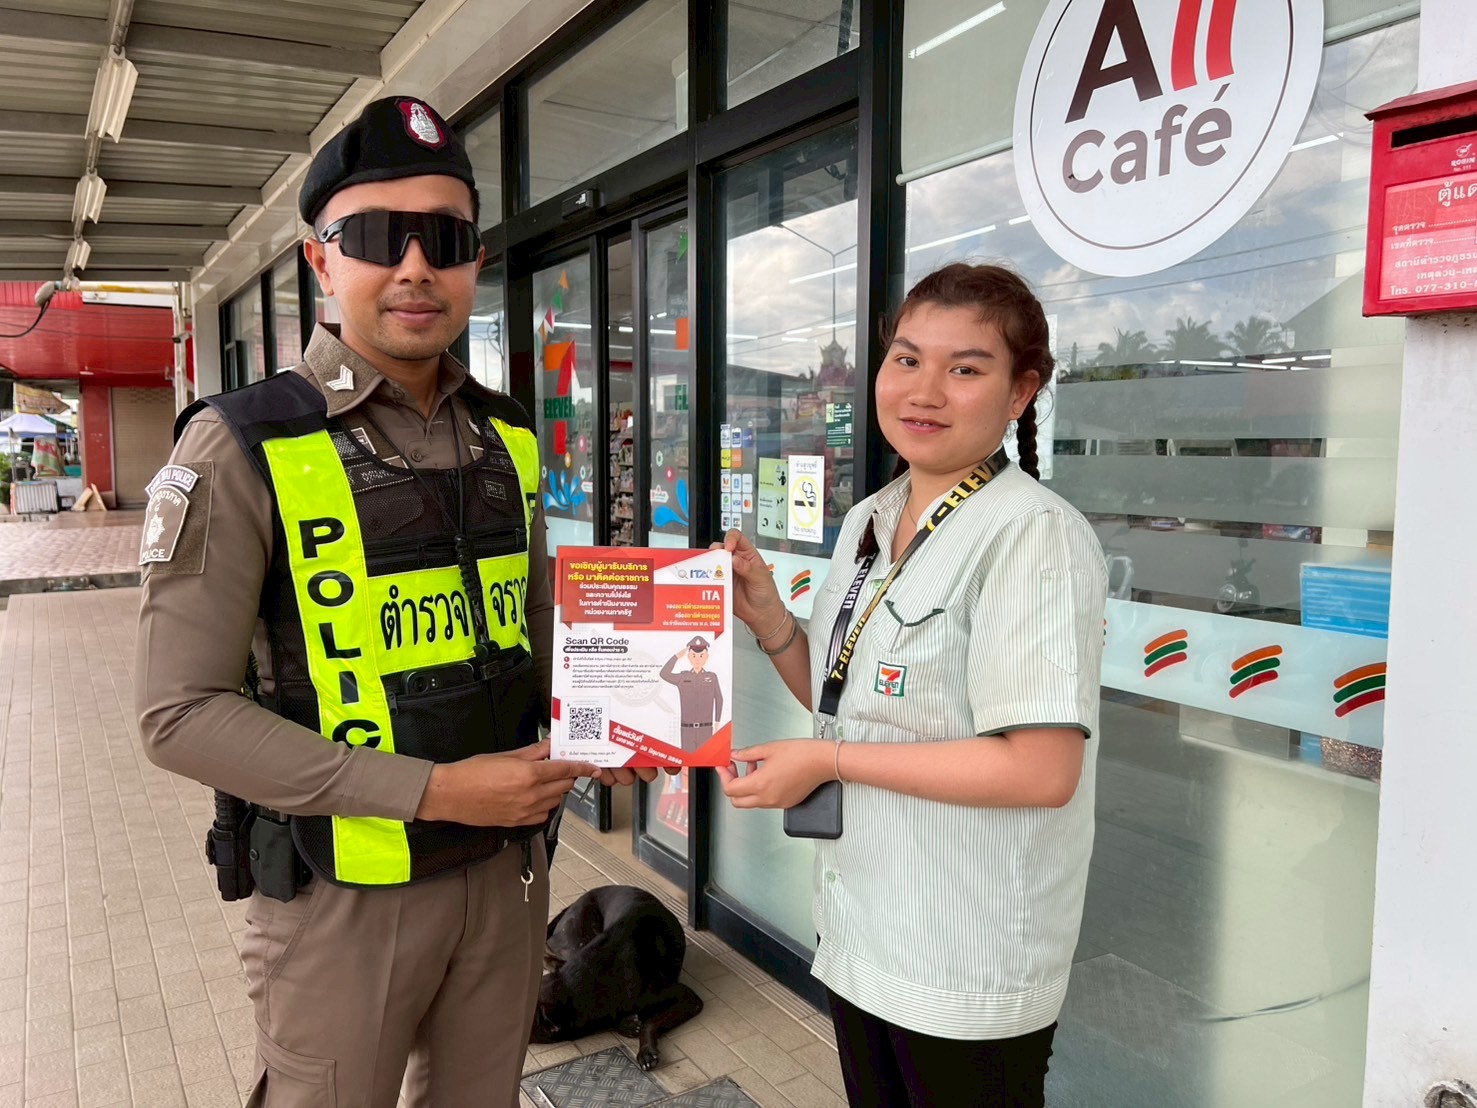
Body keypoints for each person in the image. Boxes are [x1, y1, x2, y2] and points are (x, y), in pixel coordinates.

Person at [134, 96, 656, 1108]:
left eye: (445, 239)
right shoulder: (239, 443)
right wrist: (437, 791)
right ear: (321, 261)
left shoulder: (507, 433)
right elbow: (177, 715)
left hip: (508, 879)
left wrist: (621, 716)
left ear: (474, 262)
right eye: (377, 235)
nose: (416, 265)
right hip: (342, 899)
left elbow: (525, 633)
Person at [717, 263, 1108, 1107]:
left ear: (1019, 392)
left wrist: (828, 763)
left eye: (964, 368)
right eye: (906, 359)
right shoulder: (872, 518)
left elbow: (1040, 769)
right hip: (864, 925)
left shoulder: (1031, 534)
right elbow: (842, 700)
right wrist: (769, 618)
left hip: (964, 957)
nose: (924, 391)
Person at [659, 634, 724, 750]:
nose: (697, 659)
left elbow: (719, 698)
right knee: (687, 759)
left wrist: (717, 722)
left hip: (706, 730)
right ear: (689, 656)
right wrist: (676, 657)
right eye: (694, 655)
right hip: (687, 730)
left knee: (705, 758)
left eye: (701, 655)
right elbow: (664, 674)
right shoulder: (683, 677)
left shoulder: (712, 677)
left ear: (707, 657)